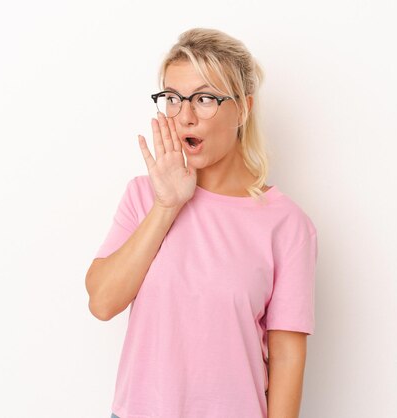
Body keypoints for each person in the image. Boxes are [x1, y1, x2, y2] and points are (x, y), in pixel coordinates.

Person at [85, 28, 318, 418]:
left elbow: (287, 357)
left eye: (205, 99)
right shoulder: (145, 196)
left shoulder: (287, 224)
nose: (185, 116)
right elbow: (102, 302)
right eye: (173, 99)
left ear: (243, 109)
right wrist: (166, 205)